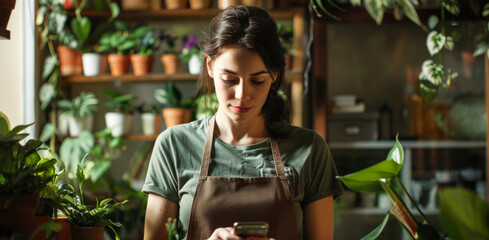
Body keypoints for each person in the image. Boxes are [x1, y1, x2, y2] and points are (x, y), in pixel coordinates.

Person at [142, 5, 343, 240]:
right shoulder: (174, 146)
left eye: (257, 81)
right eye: (229, 79)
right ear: (209, 66)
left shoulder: (310, 149)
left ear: (275, 74)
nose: (241, 94)